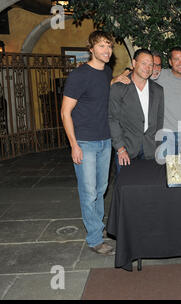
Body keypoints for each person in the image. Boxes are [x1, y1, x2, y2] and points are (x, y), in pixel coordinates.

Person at [60, 31, 115, 255]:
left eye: (109, 46)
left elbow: (101, 91)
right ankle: (94, 239)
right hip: (85, 142)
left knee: (101, 189)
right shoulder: (78, 76)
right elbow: (65, 112)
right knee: (88, 191)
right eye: (101, 46)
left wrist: (116, 79)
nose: (107, 50)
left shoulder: (107, 72)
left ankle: (97, 227)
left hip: (105, 140)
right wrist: (74, 145)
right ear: (90, 49)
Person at [108, 48, 164, 174]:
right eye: (144, 63)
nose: (148, 67)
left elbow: (159, 120)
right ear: (134, 63)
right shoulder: (119, 88)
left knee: (148, 188)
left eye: (151, 64)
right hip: (126, 149)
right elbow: (113, 120)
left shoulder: (158, 90)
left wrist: (158, 145)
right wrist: (120, 148)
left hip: (150, 149)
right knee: (126, 187)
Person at [156, 47, 181, 157]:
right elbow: (141, 72)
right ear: (170, 62)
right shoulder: (161, 75)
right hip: (165, 133)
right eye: (176, 59)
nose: (180, 63)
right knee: (166, 170)